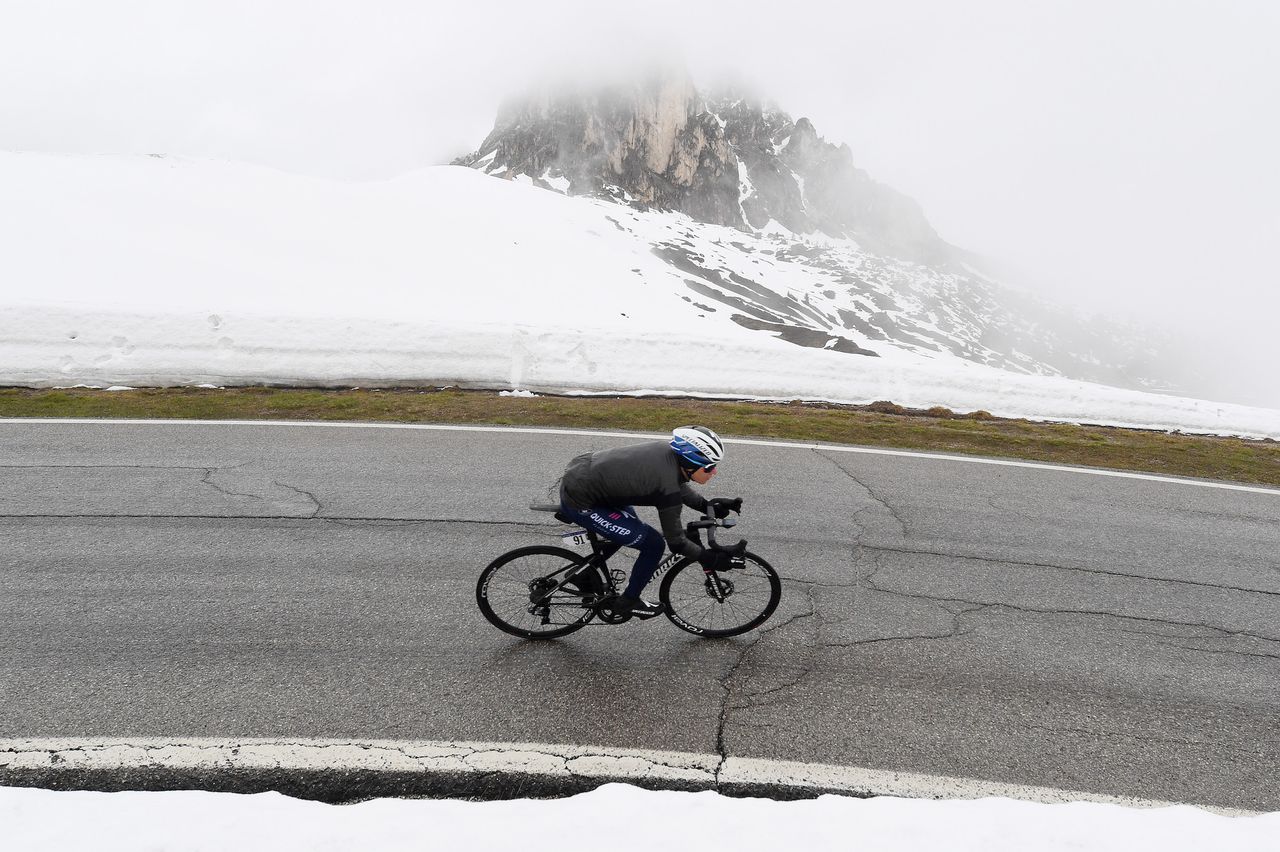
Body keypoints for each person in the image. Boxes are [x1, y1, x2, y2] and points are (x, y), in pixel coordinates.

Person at [558, 425, 742, 617]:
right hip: (582, 500)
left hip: (589, 480)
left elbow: (678, 485)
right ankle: (628, 601)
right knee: (653, 544)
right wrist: (709, 558)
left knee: (631, 531)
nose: (714, 472)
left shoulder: (670, 456)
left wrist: (706, 506)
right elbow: (676, 542)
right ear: (691, 464)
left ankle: (583, 575)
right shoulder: (667, 487)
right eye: (710, 467)